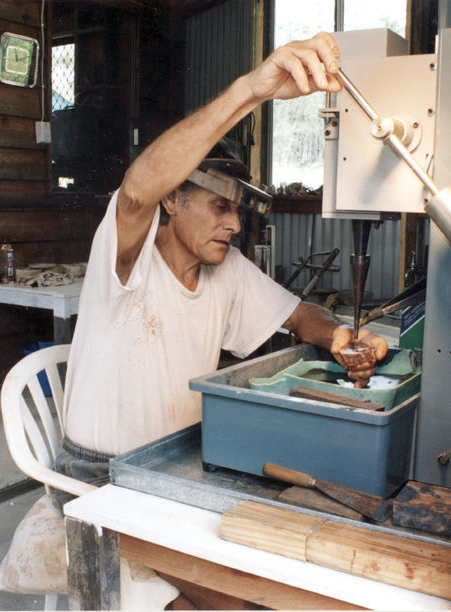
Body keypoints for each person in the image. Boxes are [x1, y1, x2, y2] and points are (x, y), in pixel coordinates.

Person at [58, 31, 388, 485]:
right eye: (220, 206)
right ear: (173, 200)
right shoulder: (126, 257)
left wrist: (338, 337)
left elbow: (298, 315)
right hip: (100, 470)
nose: (234, 225)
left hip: (178, 457)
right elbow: (137, 189)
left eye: (236, 210)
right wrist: (252, 90)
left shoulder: (224, 267)